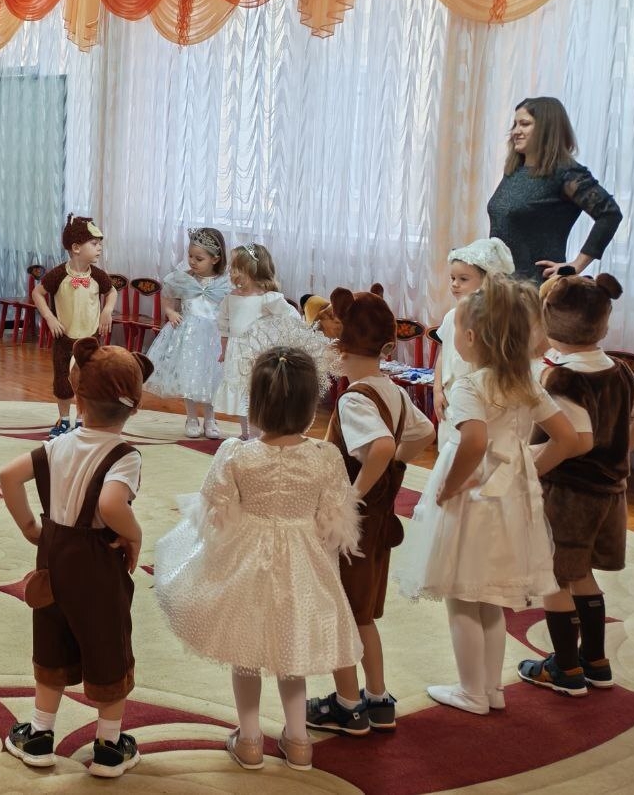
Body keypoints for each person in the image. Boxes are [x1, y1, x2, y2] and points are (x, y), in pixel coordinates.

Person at [155, 347, 362, 772]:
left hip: (246, 562)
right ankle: (299, 741)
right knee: (292, 649)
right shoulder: (326, 456)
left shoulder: (236, 453)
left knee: (244, 648)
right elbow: (335, 519)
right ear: (311, 404)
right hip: (303, 562)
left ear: (255, 402)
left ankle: (249, 740)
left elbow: (215, 511)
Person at [396, 275, 580, 715]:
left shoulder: (471, 385)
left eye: (457, 329)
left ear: (472, 337)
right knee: (491, 598)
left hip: (473, 498)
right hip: (509, 501)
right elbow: (568, 438)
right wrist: (527, 469)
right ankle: (492, 689)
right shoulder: (527, 384)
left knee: (463, 594)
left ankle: (471, 691)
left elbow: (474, 442)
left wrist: (450, 486)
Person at [0, 337, 151, 779]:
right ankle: (109, 747)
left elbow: (8, 476)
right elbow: (111, 505)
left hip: (53, 556)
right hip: (97, 562)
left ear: (78, 399)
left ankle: (39, 734)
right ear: (134, 409)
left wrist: (31, 527)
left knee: (51, 641)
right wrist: (135, 534)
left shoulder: (57, 445)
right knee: (108, 646)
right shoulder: (124, 455)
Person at [518, 271, 634, 696]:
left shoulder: (563, 378)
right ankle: (596, 663)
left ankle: (565, 669)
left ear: (547, 322)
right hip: (609, 492)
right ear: (604, 323)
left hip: (569, 494)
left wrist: (532, 470)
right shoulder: (617, 369)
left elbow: (571, 440)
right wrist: (619, 450)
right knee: (581, 574)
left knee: (554, 579)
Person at [305, 286, 434, 736]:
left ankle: (347, 706)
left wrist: (354, 494)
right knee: (362, 615)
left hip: (353, 526)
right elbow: (424, 432)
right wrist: (395, 467)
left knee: (340, 612)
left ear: (340, 349)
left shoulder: (355, 398)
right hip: (380, 524)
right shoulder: (392, 391)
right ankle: (378, 698)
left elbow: (378, 447)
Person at [487, 97, 623, 282]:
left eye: (524, 124)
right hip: (500, 287)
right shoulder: (515, 171)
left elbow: (610, 214)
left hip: (537, 287)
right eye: (515, 125)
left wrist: (576, 265)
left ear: (547, 129)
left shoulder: (567, 173)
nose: (515, 132)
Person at [32, 214, 117, 439]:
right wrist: (50, 318)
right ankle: (64, 420)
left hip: (90, 338)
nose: (99, 248)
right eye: (94, 244)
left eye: (100, 244)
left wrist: (107, 311)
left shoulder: (98, 275)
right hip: (65, 338)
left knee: (86, 379)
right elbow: (37, 293)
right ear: (76, 247)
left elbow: (111, 292)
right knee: (63, 380)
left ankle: (81, 420)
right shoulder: (59, 274)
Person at [143, 228, 231, 439]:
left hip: (213, 337)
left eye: (199, 258)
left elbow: (231, 307)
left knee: (211, 379)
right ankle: (191, 417)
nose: (192, 261)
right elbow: (167, 294)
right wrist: (170, 312)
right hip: (188, 335)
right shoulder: (182, 279)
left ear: (215, 259)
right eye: (190, 256)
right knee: (188, 377)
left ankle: (210, 418)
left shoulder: (224, 282)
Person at [214, 244, 300, 440]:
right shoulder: (231, 298)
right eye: (232, 267)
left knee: (255, 395)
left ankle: (258, 435)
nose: (232, 272)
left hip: (257, 355)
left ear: (253, 269)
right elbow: (224, 326)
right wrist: (224, 350)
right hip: (237, 354)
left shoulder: (268, 298)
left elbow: (292, 318)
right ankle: (247, 434)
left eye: (237, 268)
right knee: (242, 396)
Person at [434, 239, 516, 443]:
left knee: (471, 444)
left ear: (486, 281)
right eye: (452, 278)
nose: (455, 284)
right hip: (450, 397)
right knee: (449, 448)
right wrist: (437, 390)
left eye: (463, 279)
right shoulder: (450, 316)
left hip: (478, 399)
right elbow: (443, 354)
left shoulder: (493, 320)